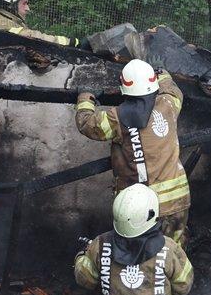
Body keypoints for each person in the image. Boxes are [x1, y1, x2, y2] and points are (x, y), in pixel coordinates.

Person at [75, 58, 190, 245]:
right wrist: (163, 75)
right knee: (172, 255)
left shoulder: (117, 118)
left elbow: (87, 124)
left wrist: (85, 98)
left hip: (139, 209)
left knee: (140, 256)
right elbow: (174, 91)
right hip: (177, 201)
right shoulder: (169, 104)